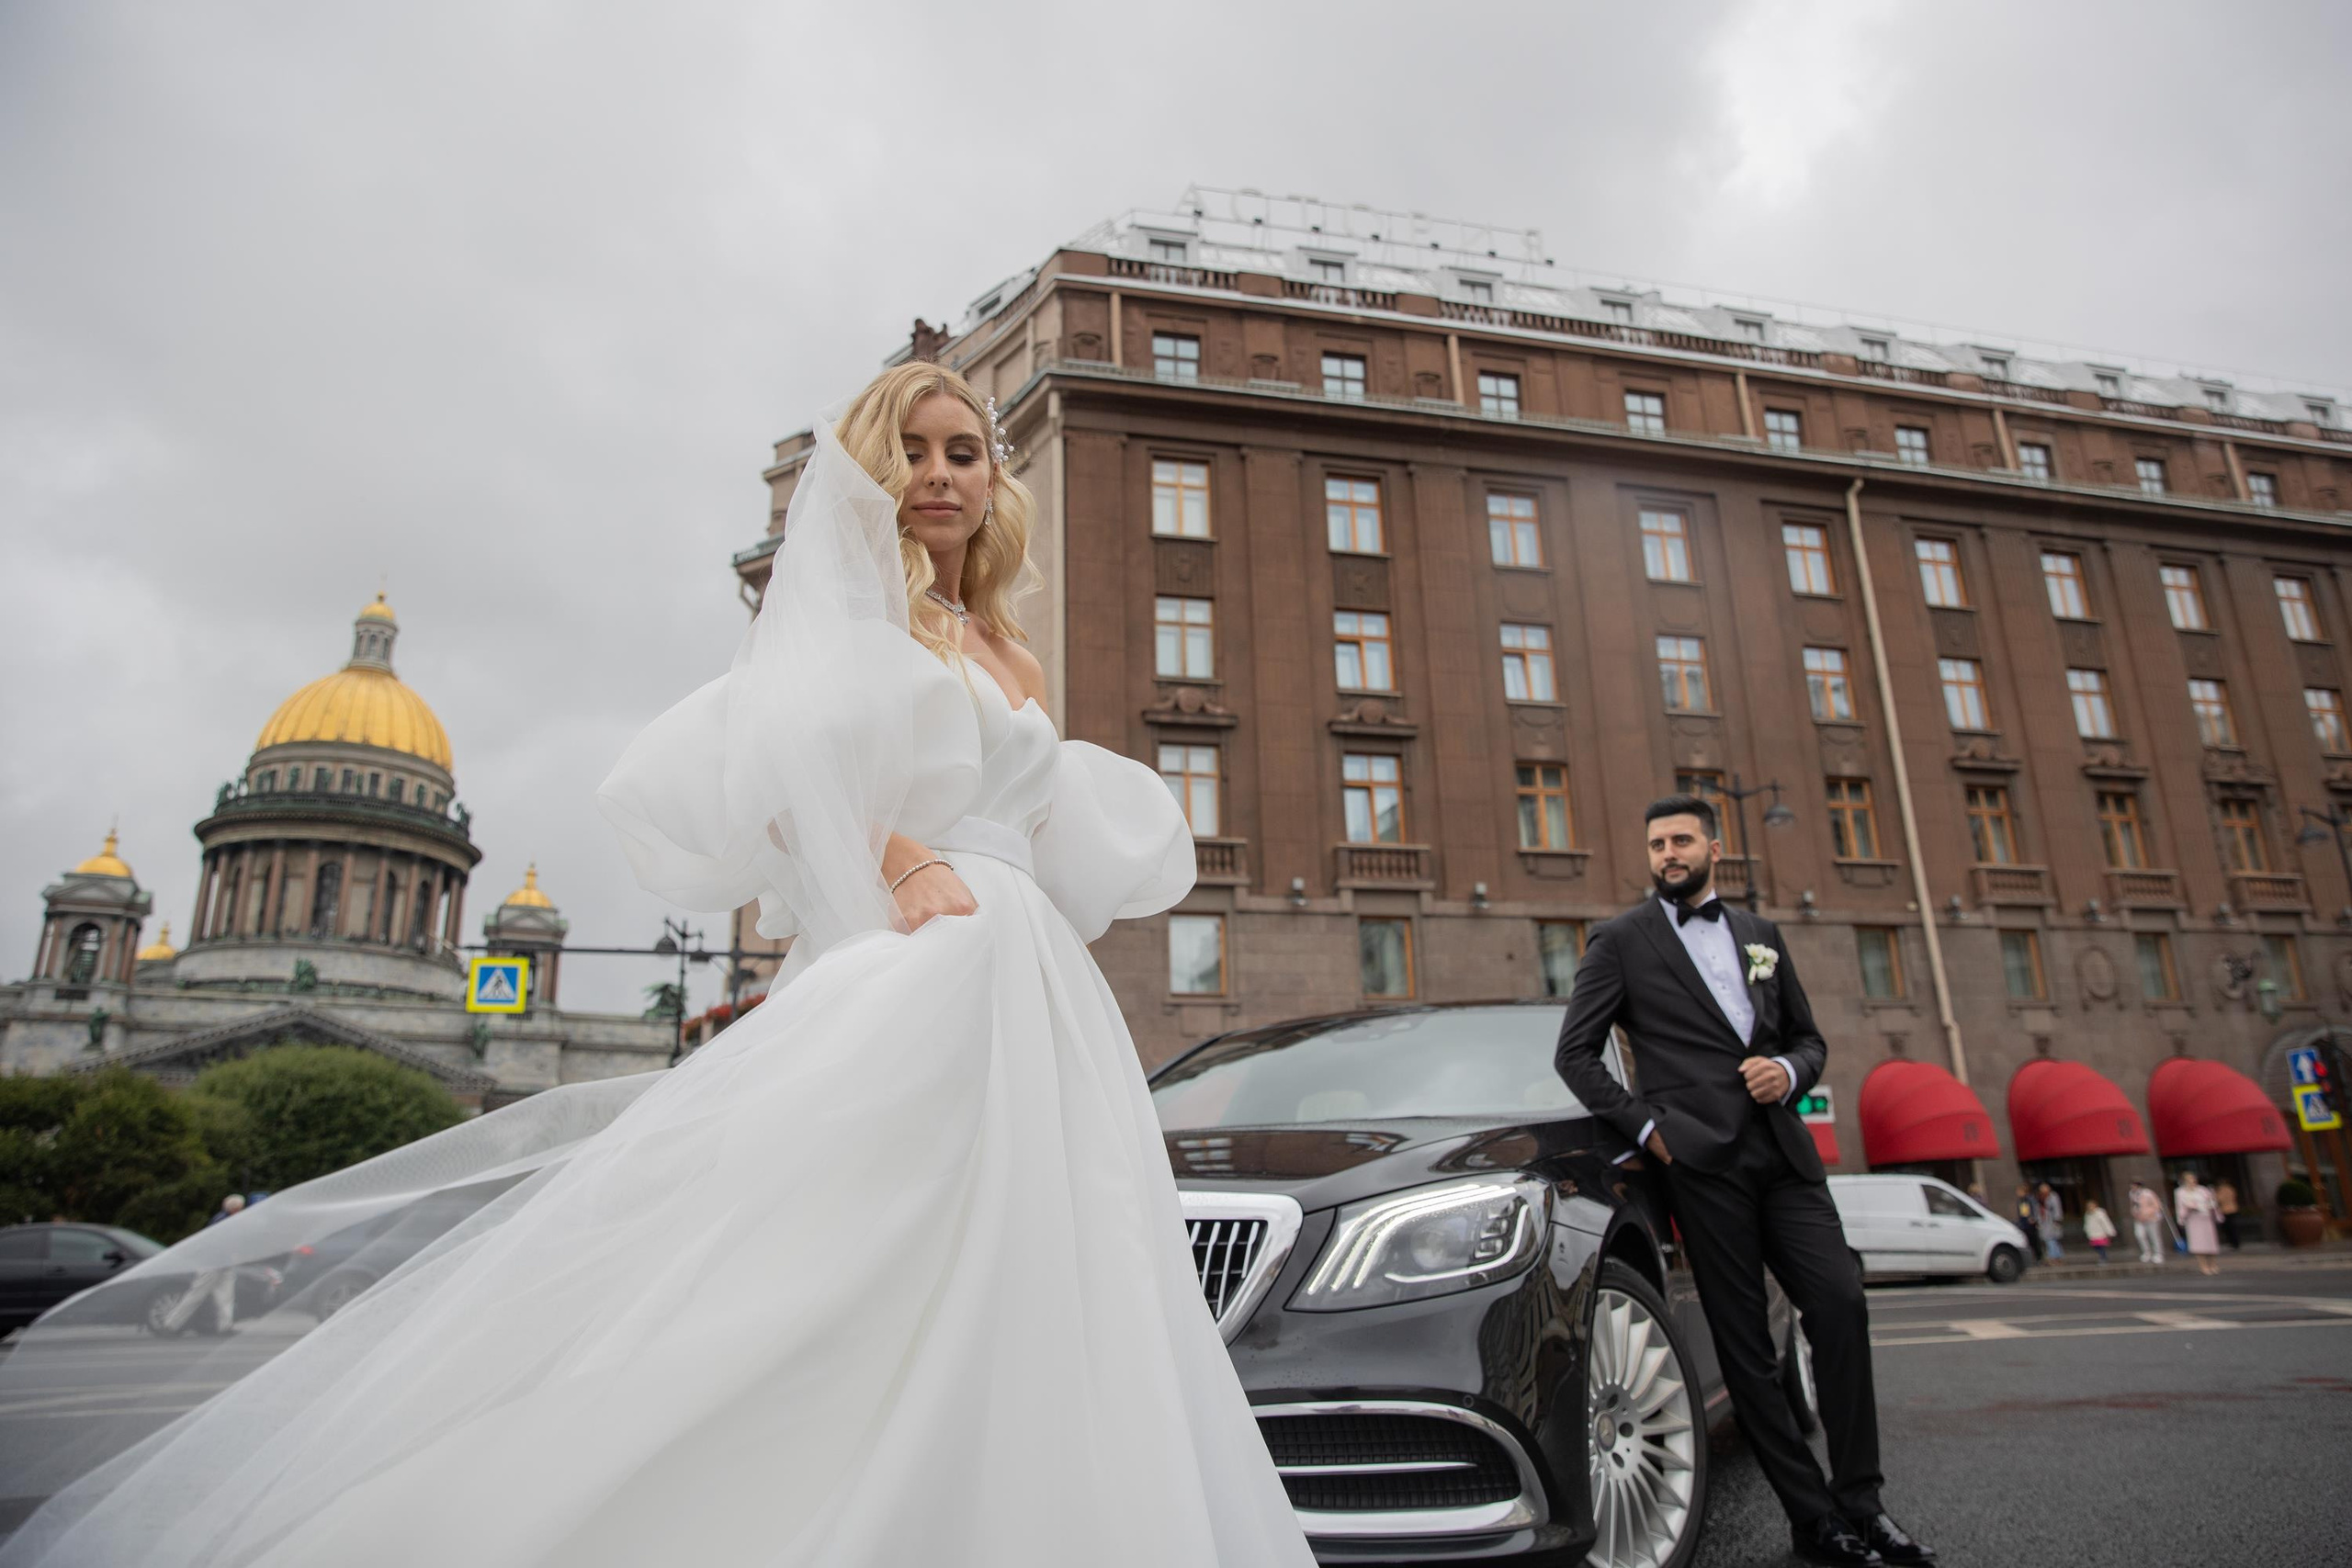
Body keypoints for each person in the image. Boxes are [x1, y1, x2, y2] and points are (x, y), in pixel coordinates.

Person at [0, 364, 1315, 1568]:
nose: (938, 474)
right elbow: (776, 769)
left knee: (1053, 1270)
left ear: (993, 477)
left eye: (963, 451)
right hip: (923, 952)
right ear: (871, 475)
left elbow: (1028, 809)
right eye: (909, 451)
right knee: (849, 1259)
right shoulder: (857, 623)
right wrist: (900, 855)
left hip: (1032, 981)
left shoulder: (1012, 650)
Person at [1554, 795, 1933, 1567]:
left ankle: (1864, 1502)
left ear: (1714, 848)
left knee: (1840, 1302)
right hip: (1700, 1164)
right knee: (1746, 1345)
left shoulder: (1761, 934)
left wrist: (1788, 1070)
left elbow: (1809, 1039)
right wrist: (1649, 1129)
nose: (1667, 853)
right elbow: (1575, 1054)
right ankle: (1813, 1519)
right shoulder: (1620, 940)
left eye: (1681, 840)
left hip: (1784, 1154)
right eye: (1656, 843)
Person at [2176, 1168, 2222, 1276]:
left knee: (2210, 1242)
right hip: (2193, 1220)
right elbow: (2180, 1206)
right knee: (2198, 1243)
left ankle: (2213, 1264)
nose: (2192, 1181)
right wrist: (2182, 1218)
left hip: (2205, 1218)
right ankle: (2203, 1266)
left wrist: (2209, 1206)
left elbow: (2212, 1202)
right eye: (2189, 1179)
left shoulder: (2203, 1190)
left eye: (2193, 1179)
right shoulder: (2180, 1192)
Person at [2128, 1180, 2166, 1265]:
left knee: (2154, 1236)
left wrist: (2149, 1214)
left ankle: (2158, 1253)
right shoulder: (2131, 1194)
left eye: (2134, 1186)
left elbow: (2157, 1205)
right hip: (2139, 1218)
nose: (2132, 1187)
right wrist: (2134, 1213)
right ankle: (2147, 1252)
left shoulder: (2148, 1193)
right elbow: (2132, 1205)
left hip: (2151, 1218)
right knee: (2139, 1235)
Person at [2013, 1184, 2042, 1266]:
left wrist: (2034, 1218)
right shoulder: (2020, 1201)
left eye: (2019, 1192)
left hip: (2031, 1223)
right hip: (2024, 1223)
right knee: (2027, 1242)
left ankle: (2039, 1257)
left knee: (2035, 1241)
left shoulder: (2030, 1199)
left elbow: (2035, 1209)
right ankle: (2032, 1258)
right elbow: (2021, 1213)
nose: (2018, 1193)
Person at [2037, 1183, 2065, 1261]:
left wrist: (2057, 1219)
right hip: (2044, 1222)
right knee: (2049, 1239)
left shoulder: (2053, 1197)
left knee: (2052, 1239)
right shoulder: (2040, 1198)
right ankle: (2057, 1256)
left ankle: (2054, 1256)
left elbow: (2057, 1208)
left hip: (2052, 1221)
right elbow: (2039, 1210)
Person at [2082, 1199, 2115, 1264]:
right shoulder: (2087, 1214)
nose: (2090, 1208)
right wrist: (2086, 1229)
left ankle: (2103, 1257)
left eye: (2091, 1206)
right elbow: (2087, 1223)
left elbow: (2105, 1222)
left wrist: (2109, 1231)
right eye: (2089, 1206)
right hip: (2092, 1234)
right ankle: (2102, 1256)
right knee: (2095, 1246)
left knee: (2101, 1246)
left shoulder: (2100, 1213)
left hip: (2100, 1233)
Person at [2215, 1178, 2243, 1250]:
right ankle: (2235, 1242)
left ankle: (2233, 1242)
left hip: (2225, 1210)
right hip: (2233, 1209)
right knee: (2233, 1226)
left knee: (2229, 1227)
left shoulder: (2221, 1190)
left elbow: (2219, 1199)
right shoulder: (2231, 1189)